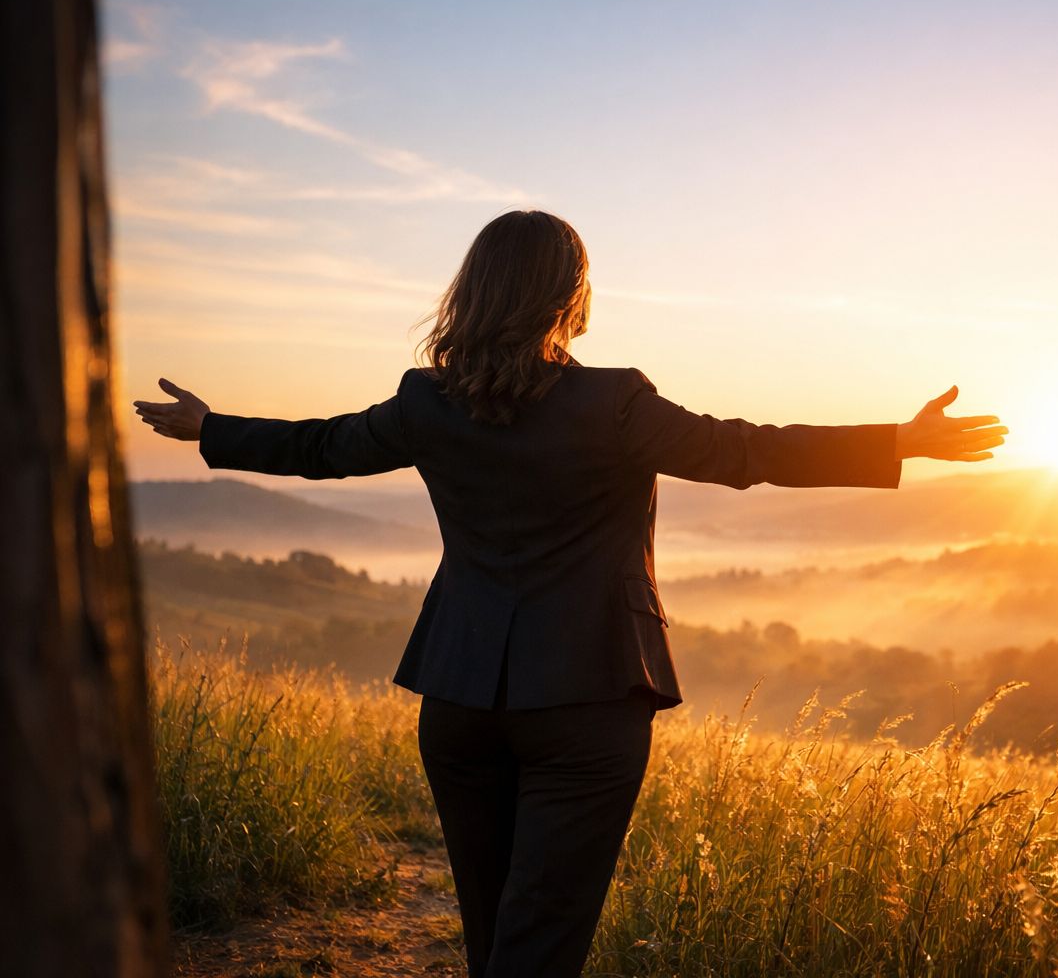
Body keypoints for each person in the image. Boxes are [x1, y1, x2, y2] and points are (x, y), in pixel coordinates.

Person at [132, 209, 1007, 977]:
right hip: (588, 699)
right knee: (541, 943)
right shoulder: (615, 404)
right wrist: (901, 440)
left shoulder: (425, 403)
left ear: (470, 293)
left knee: (497, 941)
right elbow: (749, 453)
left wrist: (212, 429)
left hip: (460, 697)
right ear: (569, 298)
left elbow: (322, 447)